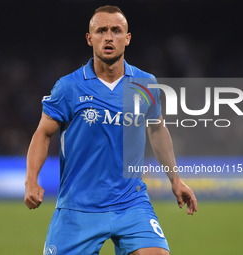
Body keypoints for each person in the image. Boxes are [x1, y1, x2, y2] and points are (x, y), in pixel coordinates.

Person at [24, 5, 197, 255]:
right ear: (89, 38)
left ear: (127, 39)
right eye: (101, 30)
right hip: (78, 207)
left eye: (116, 30)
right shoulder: (69, 87)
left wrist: (176, 180)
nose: (108, 36)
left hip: (131, 203)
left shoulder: (145, 83)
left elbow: (157, 130)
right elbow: (42, 133)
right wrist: (31, 181)